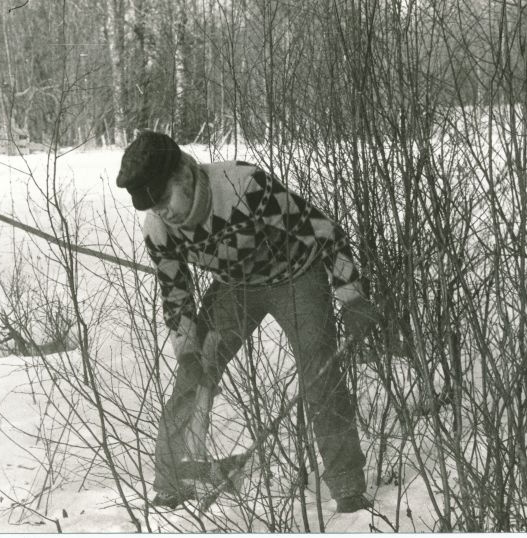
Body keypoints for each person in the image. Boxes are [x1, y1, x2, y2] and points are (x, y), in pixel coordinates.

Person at [116, 131, 393, 513]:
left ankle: (347, 487)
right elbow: (176, 295)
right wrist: (189, 349)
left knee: (320, 374)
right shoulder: (159, 230)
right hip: (236, 286)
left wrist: (352, 296)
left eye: (164, 200)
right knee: (192, 378)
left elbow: (325, 231)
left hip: (297, 275)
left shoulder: (245, 186)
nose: (164, 212)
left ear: (184, 173)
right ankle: (171, 483)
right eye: (154, 207)